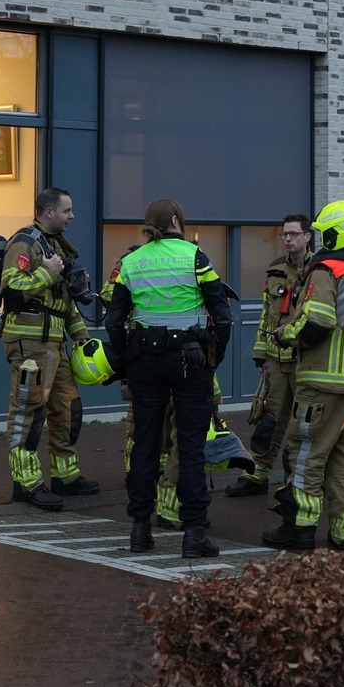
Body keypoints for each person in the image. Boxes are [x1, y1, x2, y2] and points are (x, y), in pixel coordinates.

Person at [105, 198, 230, 558]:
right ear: (176, 220)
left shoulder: (130, 261)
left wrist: (126, 360)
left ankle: (140, 531)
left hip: (144, 360)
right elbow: (221, 315)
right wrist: (214, 359)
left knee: (145, 443)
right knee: (189, 446)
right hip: (190, 361)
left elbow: (114, 320)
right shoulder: (195, 257)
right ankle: (193, 535)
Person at [265, 199, 344, 551]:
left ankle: (298, 528)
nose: (321, 240)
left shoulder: (327, 270)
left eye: (325, 233)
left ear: (338, 234)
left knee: (306, 454)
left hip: (323, 380)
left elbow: (317, 320)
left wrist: (286, 334)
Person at [0, 186, 97, 512]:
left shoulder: (56, 246)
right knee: (29, 413)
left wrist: (81, 335)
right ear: (48, 212)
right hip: (29, 342)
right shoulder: (25, 242)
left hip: (56, 342)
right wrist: (45, 271)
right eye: (67, 211)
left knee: (67, 409)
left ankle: (65, 476)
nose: (72, 217)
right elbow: (11, 287)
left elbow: (63, 302)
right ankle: (26, 484)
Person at [226, 213, 314, 497]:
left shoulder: (320, 271)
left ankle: (296, 482)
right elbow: (267, 314)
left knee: (302, 427)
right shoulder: (275, 269)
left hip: (305, 361)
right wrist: (260, 352)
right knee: (268, 421)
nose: (288, 239)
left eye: (293, 234)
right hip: (276, 361)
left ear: (307, 237)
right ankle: (256, 475)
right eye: (284, 235)